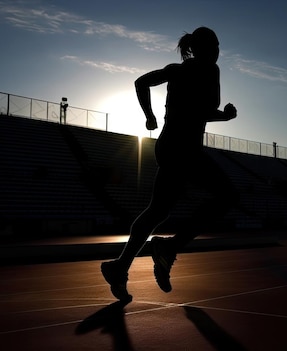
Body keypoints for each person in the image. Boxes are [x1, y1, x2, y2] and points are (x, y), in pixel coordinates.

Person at [101, 27, 238, 302]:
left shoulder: (176, 71)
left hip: (169, 146)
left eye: (218, 46)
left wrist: (150, 117)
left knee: (157, 211)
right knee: (227, 195)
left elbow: (142, 83)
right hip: (184, 147)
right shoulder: (210, 71)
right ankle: (170, 247)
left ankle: (119, 267)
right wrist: (224, 116)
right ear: (201, 48)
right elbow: (200, 110)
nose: (217, 51)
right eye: (214, 46)